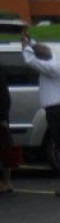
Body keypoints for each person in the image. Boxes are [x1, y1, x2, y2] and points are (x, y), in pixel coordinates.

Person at [21, 31, 60, 196]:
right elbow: (42, 52)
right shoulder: (55, 62)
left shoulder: (52, 68)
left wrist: (26, 47)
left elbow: (31, 61)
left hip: (58, 111)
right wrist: (30, 42)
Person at [0, 65, 13, 194]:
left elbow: (4, 98)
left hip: (1, 118)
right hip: (3, 117)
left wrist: (3, 118)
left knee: (4, 151)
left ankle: (7, 182)